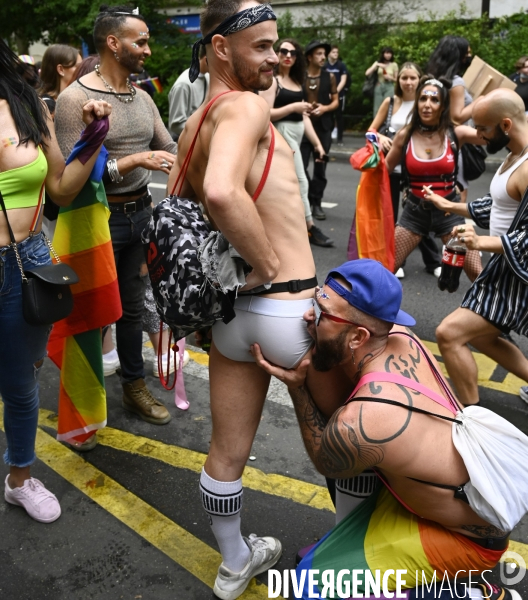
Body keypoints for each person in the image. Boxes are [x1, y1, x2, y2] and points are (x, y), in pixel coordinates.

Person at [168, 1, 318, 597]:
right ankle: (359, 556)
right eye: (262, 46)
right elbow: (222, 194)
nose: (276, 57)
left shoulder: (193, 122)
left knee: (227, 451)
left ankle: (235, 561)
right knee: (348, 439)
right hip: (288, 307)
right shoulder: (244, 108)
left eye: (277, 45)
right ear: (221, 49)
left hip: (230, 319)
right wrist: (268, 263)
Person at [251, 259, 513, 600]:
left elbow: (325, 460)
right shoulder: (400, 335)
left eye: (322, 312)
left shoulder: (363, 422)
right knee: (315, 561)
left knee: (310, 587)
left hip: (467, 541)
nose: (308, 317)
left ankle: (470, 593)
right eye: (317, 301)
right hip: (441, 505)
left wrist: (297, 388)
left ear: (359, 336)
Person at [0, 39, 111, 522]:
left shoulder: (27, 106)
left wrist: (95, 135)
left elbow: (63, 187)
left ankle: (19, 478)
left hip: (23, 263)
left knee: (21, 385)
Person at [55, 5, 177, 427]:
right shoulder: (75, 99)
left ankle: (132, 386)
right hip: (97, 220)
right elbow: (76, 177)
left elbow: (172, 148)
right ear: (113, 43)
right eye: (139, 41)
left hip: (140, 215)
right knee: (90, 311)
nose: (147, 49)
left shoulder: (142, 97)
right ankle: (82, 406)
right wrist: (134, 160)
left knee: (129, 310)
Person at [424, 89, 528, 408]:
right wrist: (449, 205)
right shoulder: (513, 155)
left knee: (449, 333)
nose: (478, 135)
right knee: (482, 336)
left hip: (514, 274)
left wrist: (479, 242)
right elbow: (498, 205)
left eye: (483, 128)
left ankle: (471, 418)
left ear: (506, 124)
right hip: (502, 269)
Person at [386, 76, 483, 281]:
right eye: (423, 99)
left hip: (450, 213)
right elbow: (383, 170)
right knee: (384, 270)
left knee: (477, 272)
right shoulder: (404, 136)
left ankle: (493, 312)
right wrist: (372, 152)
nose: (427, 105)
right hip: (414, 213)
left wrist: (491, 109)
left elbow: (494, 136)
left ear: (443, 105)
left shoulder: (456, 133)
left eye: (434, 100)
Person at [368, 62, 441, 278]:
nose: (408, 82)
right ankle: (395, 260)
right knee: (391, 215)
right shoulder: (390, 102)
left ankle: (433, 261)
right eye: (404, 78)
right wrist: (379, 136)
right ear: (398, 80)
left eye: (413, 78)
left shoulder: (424, 103)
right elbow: (371, 129)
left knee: (421, 212)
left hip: (416, 167)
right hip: (391, 166)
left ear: (420, 80)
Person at [260, 38, 334, 247]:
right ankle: (309, 227)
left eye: (292, 53)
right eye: (283, 51)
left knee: (289, 184)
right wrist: (293, 107)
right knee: (301, 181)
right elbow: (265, 114)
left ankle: (289, 227)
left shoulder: (296, 81)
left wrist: (318, 144)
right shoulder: (273, 81)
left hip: (298, 134)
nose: (288, 56)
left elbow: (304, 117)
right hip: (281, 135)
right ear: (277, 53)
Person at [426, 35, 477, 201]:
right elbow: (457, 117)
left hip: (432, 139)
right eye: (466, 53)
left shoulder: (432, 77)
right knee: (458, 189)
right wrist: (479, 102)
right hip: (453, 143)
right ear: (458, 55)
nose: (468, 57)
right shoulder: (456, 82)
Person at [300, 40, 339, 221]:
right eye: (319, 54)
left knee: (320, 167)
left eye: (324, 54)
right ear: (309, 57)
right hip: (303, 128)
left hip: (323, 128)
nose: (323, 57)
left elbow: (336, 102)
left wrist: (324, 108)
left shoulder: (329, 77)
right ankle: (307, 197)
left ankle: (316, 203)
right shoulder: (300, 76)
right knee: (300, 165)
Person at [168, 45, 210, 139]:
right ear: (206, 60)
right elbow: (176, 124)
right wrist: (205, 130)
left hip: (198, 138)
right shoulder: (183, 85)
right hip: (183, 140)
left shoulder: (207, 77)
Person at [38, 45, 82, 116]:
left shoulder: (72, 98)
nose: (81, 70)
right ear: (61, 70)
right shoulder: (47, 105)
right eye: (78, 66)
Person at [324, 45, 348, 145]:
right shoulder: (325, 66)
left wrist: (335, 92)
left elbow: (343, 80)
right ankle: (327, 137)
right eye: (334, 52)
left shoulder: (341, 65)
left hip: (339, 95)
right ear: (329, 53)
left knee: (339, 117)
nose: (336, 54)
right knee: (328, 117)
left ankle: (340, 139)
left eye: (337, 52)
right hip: (327, 95)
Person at [365, 46, 398, 115]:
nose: (388, 55)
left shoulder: (394, 65)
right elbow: (367, 73)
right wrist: (376, 65)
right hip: (379, 85)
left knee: (388, 106)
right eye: (386, 53)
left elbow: (397, 79)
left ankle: (387, 124)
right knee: (377, 107)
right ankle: (376, 124)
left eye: (390, 53)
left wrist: (390, 77)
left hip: (389, 86)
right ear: (383, 54)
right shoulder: (377, 63)